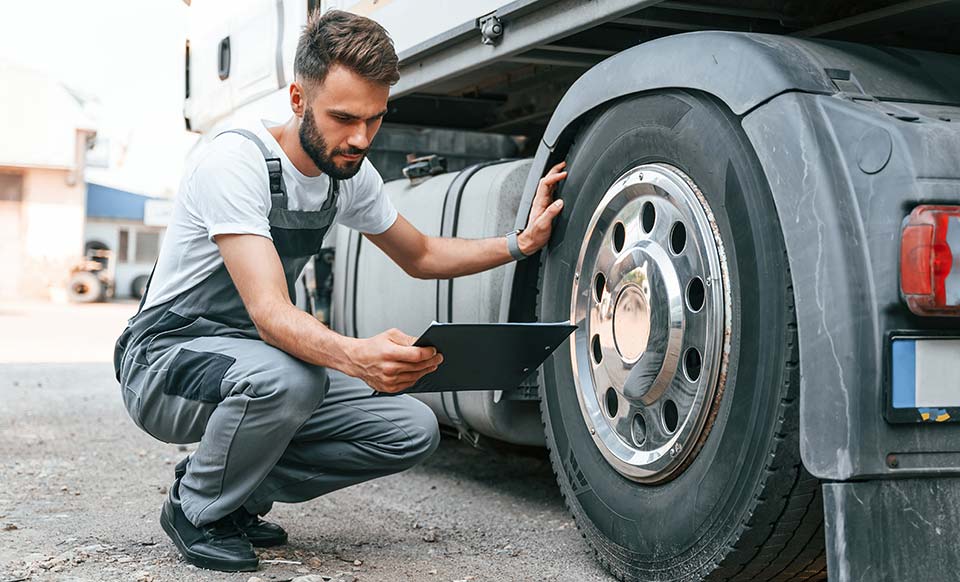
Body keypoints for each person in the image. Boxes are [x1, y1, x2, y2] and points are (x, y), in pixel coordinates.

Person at [113, 8, 568, 573]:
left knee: (411, 429)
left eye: (375, 119)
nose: (360, 138)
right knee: (288, 376)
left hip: (253, 366)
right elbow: (270, 313)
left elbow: (421, 254)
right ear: (298, 99)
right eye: (344, 118)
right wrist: (357, 357)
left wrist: (519, 243)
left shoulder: (346, 173)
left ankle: (231, 491)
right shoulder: (235, 160)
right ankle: (197, 509)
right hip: (165, 361)